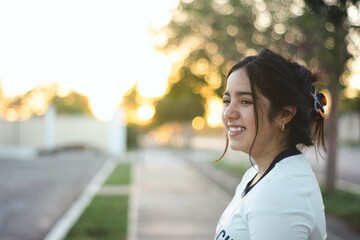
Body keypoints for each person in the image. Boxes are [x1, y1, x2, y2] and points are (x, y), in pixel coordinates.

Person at [215, 48, 327, 240]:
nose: (228, 113)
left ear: (284, 114)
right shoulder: (257, 174)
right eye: (227, 100)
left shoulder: (282, 192)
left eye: (245, 101)